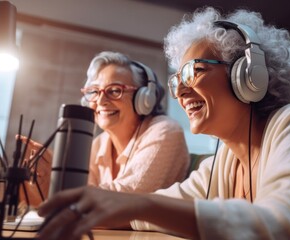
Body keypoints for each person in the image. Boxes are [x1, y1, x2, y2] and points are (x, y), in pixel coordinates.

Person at [36, 7, 290, 240]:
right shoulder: (222, 163)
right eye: (177, 80)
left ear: (247, 76)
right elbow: (153, 211)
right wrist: (93, 204)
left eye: (195, 71)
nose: (180, 91)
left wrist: (138, 205)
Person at [21, 51, 190, 206]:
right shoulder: (98, 144)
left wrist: (60, 180)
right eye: (94, 91)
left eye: (114, 90)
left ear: (144, 99)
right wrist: (40, 184)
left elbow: (129, 200)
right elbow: (77, 205)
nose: (101, 101)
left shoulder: (165, 131)